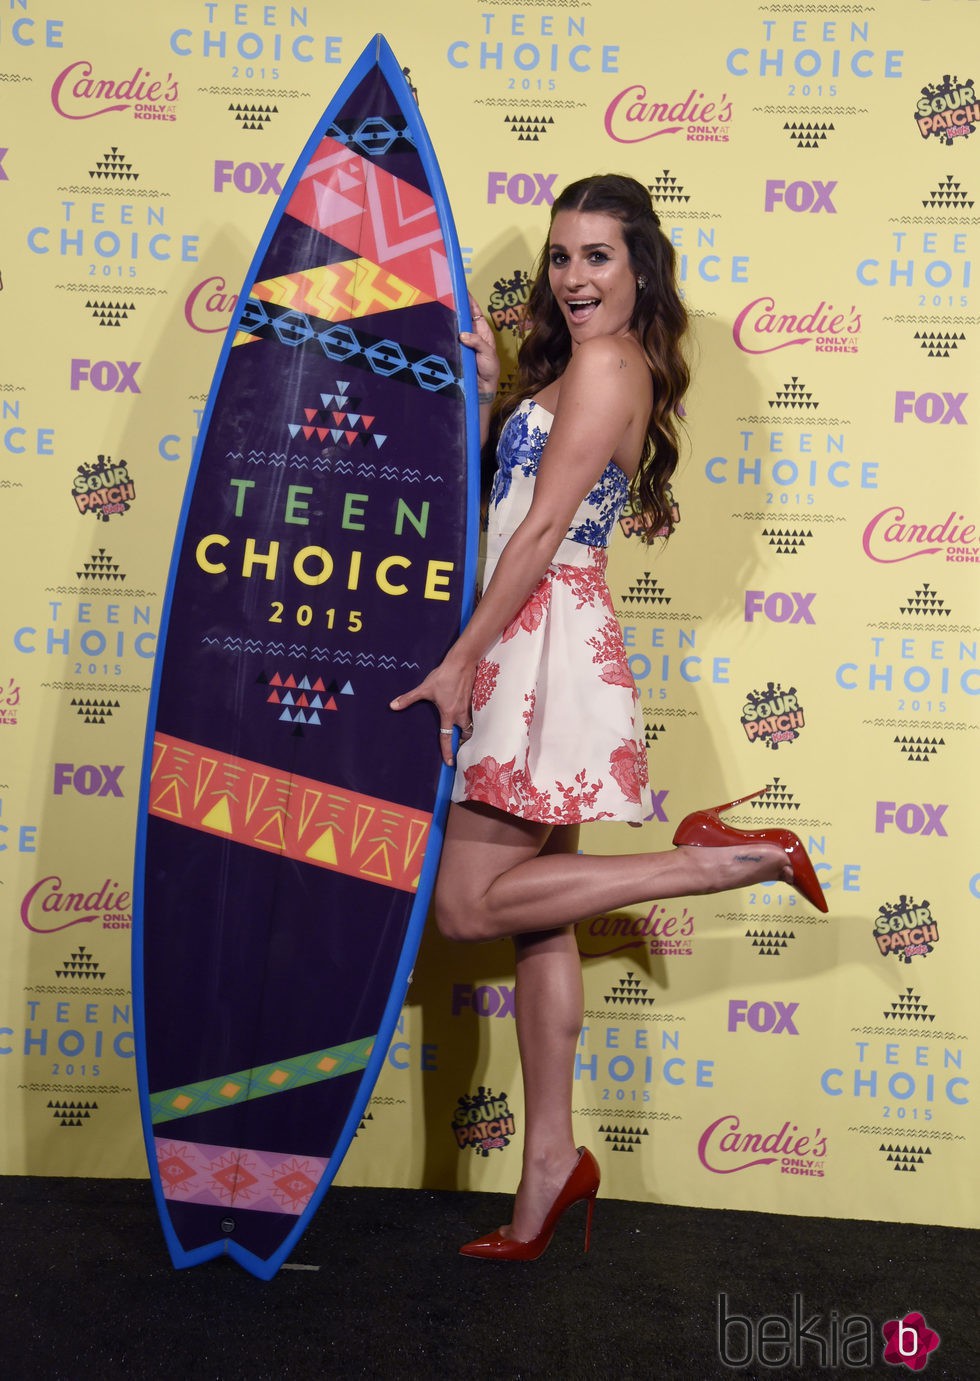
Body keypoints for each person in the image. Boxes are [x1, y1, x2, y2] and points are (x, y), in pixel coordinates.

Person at [391, 174, 827, 1262]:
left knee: (464, 908)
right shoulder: (585, 369)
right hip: (549, 641)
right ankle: (550, 1164)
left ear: (639, 268)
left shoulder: (602, 362)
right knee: (539, 921)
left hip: (534, 644)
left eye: (597, 256)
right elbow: (526, 494)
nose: (573, 277)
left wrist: (458, 661)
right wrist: (491, 394)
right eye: (559, 256)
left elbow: (536, 535)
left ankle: (715, 862)